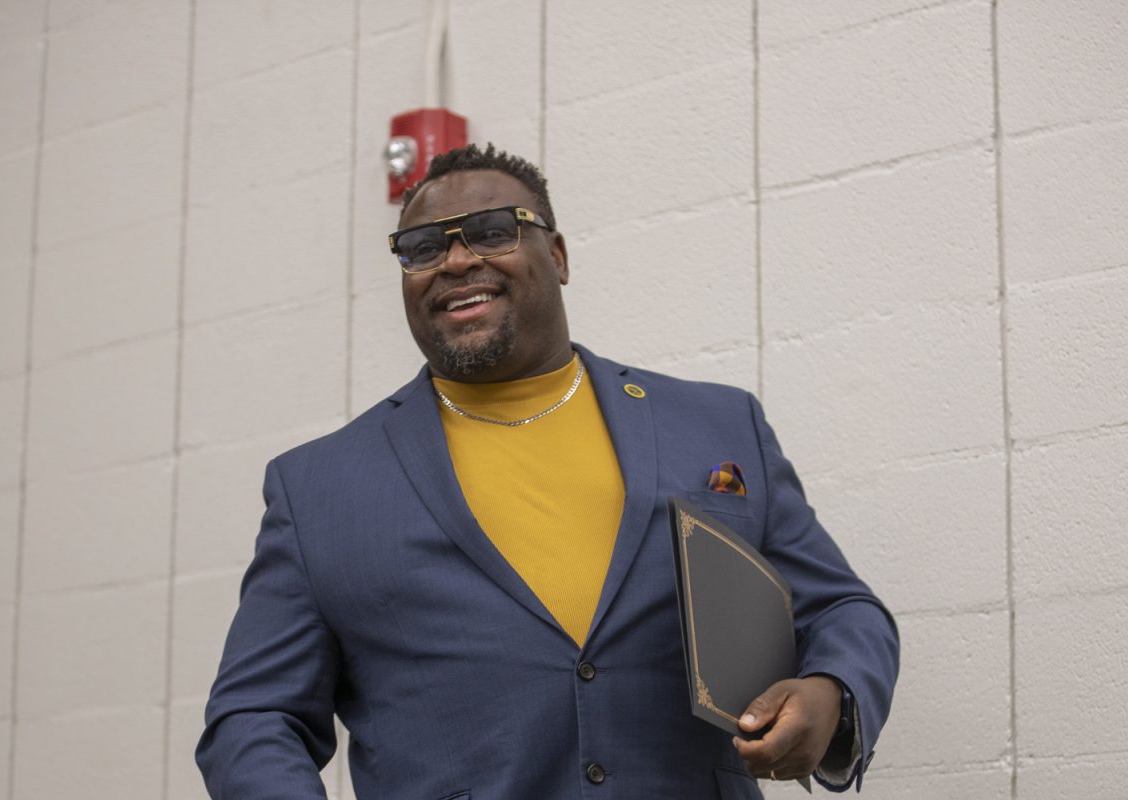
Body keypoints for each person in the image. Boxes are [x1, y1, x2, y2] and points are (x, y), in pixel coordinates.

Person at [197, 144, 899, 799]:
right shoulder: (320, 486)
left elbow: (840, 609)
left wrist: (832, 692)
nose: (455, 260)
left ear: (556, 254)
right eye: (421, 249)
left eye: (494, 231)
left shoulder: (715, 427)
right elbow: (253, 716)